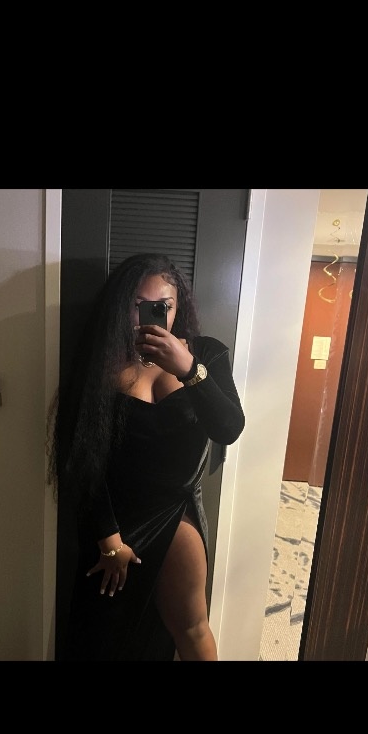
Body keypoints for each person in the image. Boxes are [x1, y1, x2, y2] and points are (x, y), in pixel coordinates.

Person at [48, 253, 245, 661]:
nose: (149, 318)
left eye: (163, 306)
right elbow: (82, 456)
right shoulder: (103, 359)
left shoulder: (205, 354)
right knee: (102, 640)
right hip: (113, 522)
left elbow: (228, 428)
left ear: (178, 307)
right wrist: (108, 539)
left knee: (192, 628)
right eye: (138, 306)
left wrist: (188, 368)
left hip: (176, 512)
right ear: (122, 306)